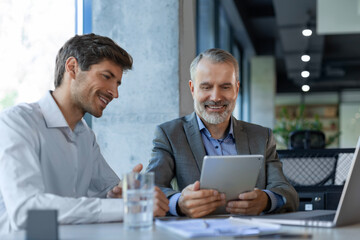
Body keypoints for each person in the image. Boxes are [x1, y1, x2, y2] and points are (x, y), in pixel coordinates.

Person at [0, 33, 169, 233]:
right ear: (72, 68)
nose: (115, 93)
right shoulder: (17, 122)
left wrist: (119, 195)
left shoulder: (85, 136)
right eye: (107, 77)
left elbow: (106, 195)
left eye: (117, 84)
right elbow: (26, 211)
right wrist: (127, 207)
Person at [146, 48, 299, 218]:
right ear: (192, 89)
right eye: (206, 87)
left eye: (225, 87)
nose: (216, 97)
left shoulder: (262, 137)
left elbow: (288, 193)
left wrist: (267, 200)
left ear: (237, 89)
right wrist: (179, 202)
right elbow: (151, 189)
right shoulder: (169, 134)